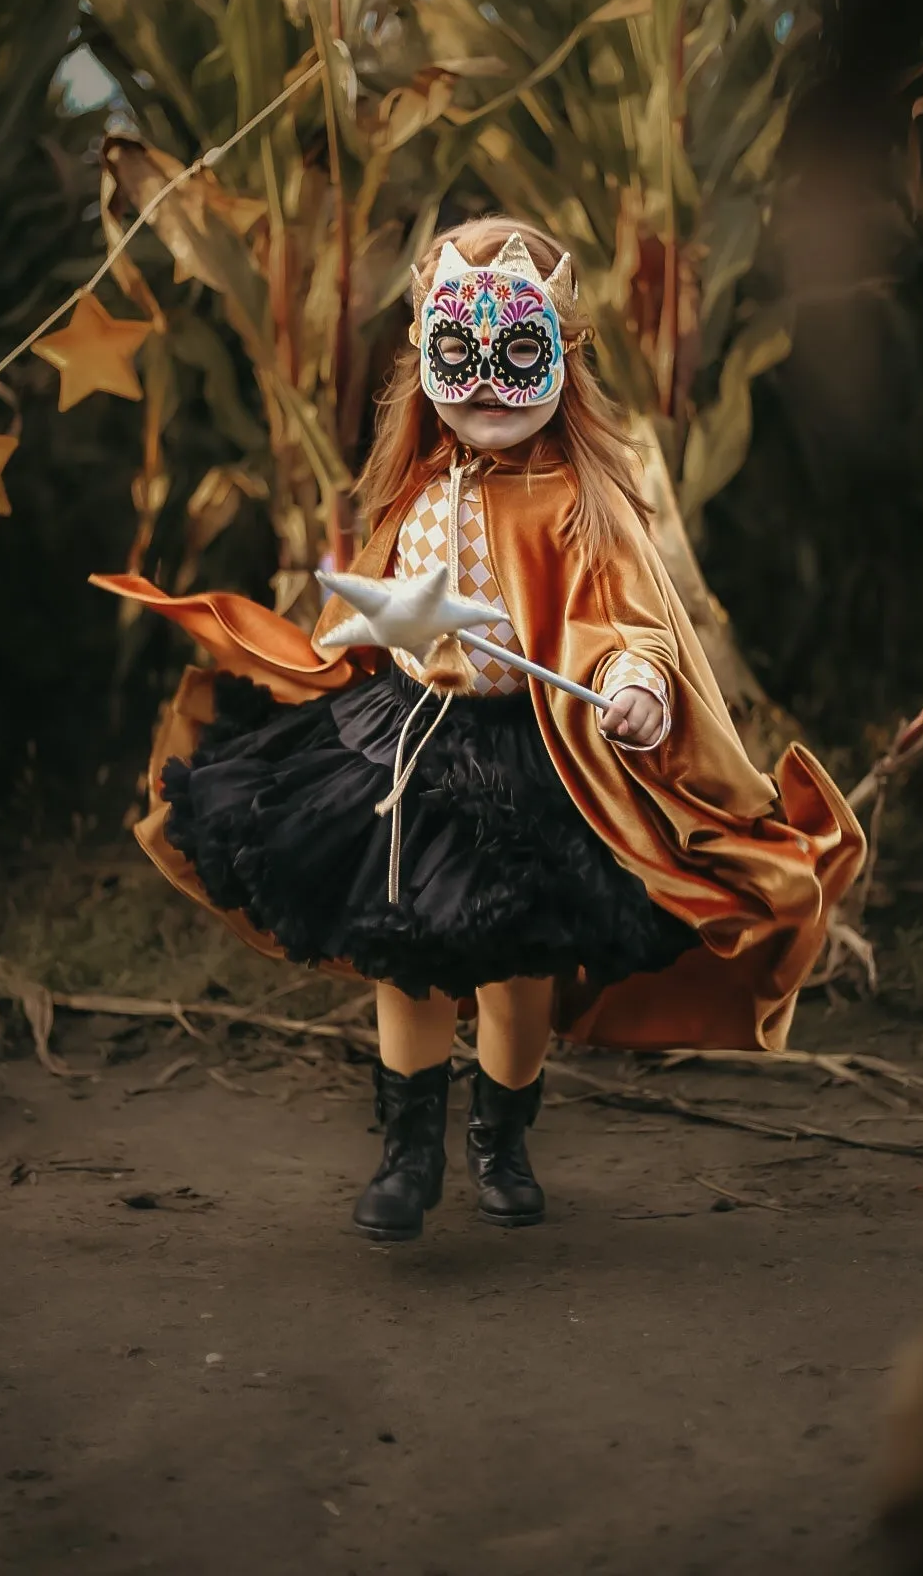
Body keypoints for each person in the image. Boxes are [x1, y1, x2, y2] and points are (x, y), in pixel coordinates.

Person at [92, 219, 864, 1243]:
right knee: (401, 948)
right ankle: (406, 1150)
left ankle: (501, 1137)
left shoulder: (580, 502)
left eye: (518, 356)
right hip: (399, 742)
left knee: (513, 966)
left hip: (527, 759)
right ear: (424, 355)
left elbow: (635, 621)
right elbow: (385, 598)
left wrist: (634, 682)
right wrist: (354, 634)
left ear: (559, 353)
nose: (487, 388)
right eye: (459, 356)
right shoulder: (417, 479)